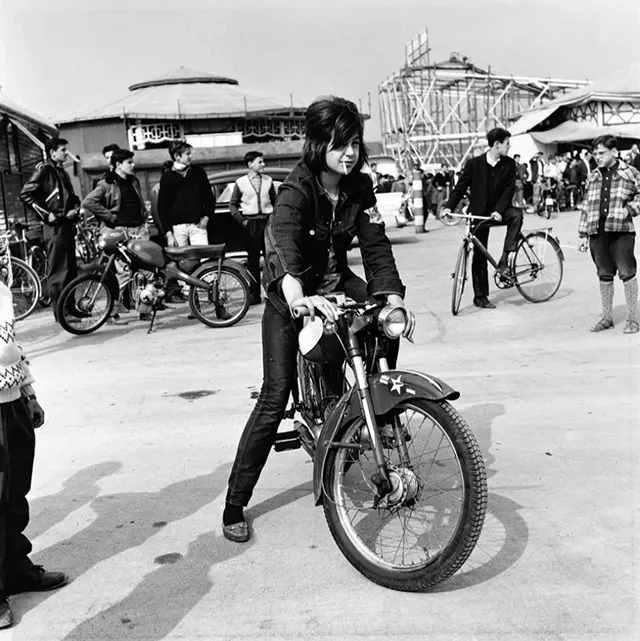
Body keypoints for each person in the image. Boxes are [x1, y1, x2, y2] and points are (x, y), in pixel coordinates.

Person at [222, 96, 413, 543]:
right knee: (274, 396)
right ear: (316, 143)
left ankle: (377, 413)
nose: (349, 152)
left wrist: (391, 297)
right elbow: (285, 249)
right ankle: (234, 502)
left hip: (337, 282)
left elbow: (376, 246)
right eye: (338, 142)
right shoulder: (296, 190)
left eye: (354, 142)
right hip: (292, 295)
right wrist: (297, 295)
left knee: (387, 322)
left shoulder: (359, 187)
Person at [0, 282, 67, 629]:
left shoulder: (2, 290)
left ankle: (16, 571)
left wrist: (28, 393)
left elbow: (11, 345)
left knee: (14, 494)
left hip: (11, 402)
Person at [441, 128, 522, 309]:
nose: (509, 147)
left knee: (516, 215)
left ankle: (505, 259)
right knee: (479, 253)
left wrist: (500, 210)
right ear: (496, 145)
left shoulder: (509, 164)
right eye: (507, 143)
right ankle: (480, 296)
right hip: (480, 213)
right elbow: (460, 188)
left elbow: (509, 190)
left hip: (499, 211)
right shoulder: (474, 164)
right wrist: (448, 207)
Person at [578, 135, 639, 334]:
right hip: (597, 231)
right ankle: (607, 318)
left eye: (601, 153)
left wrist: (630, 209)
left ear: (614, 152)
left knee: (627, 272)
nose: (597, 157)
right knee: (604, 274)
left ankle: (632, 319)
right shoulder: (593, 176)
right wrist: (583, 235)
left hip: (621, 231)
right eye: (595, 154)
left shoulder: (630, 173)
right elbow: (586, 206)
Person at [82, 149, 151, 321]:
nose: (133, 165)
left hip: (139, 230)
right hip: (120, 231)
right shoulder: (106, 183)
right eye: (129, 162)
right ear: (119, 164)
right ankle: (112, 313)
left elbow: (139, 202)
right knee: (124, 274)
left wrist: (144, 220)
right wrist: (110, 218)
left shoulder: (134, 181)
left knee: (146, 271)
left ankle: (145, 310)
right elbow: (88, 202)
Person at [19, 137, 83, 321]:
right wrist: (47, 215)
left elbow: (69, 197)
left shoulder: (61, 172)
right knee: (59, 271)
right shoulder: (44, 170)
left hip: (67, 226)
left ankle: (70, 307)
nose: (65, 153)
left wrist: (75, 208)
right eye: (62, 150)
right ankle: (61, 312)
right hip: (54, 228)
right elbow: (26, 194)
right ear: (52, 152)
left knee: (70, 269)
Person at [229, 151, 277, 305]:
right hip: (251, 224)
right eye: (260, 162)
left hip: (267, 222)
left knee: (271, 259)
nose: (263, 165)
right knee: (253, 262)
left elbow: (276, 202)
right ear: (250, 164)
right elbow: (232, 204)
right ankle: (254, 294)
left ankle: (274, 293)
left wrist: (274, 219)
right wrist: (242, 221)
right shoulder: (240, 182)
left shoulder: (268, 180)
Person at [157, 141, 215, 249]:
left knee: (204, 259)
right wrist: (168, 233)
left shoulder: (198, 172)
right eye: (187, 154)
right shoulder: (167, 177)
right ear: (176, 156)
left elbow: (209, 197)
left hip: (198, 225)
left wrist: (207, 216)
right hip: (177, 228)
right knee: (182, 262)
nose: (191, 156)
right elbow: (163, 207)